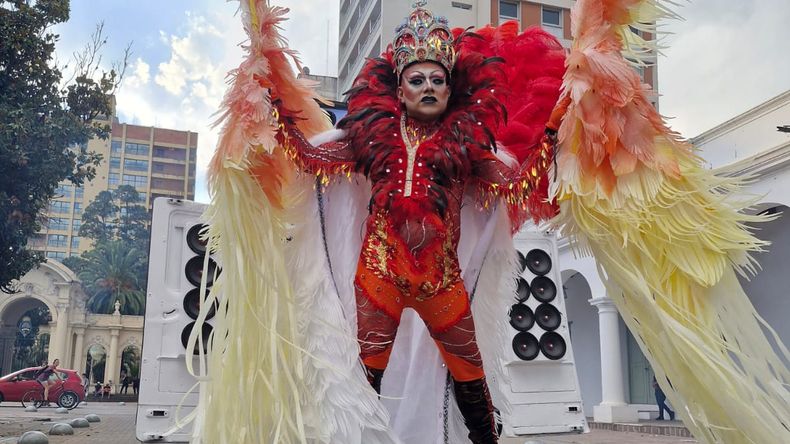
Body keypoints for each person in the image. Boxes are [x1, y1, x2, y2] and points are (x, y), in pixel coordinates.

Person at [190, 1, 790, 443]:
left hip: (443, 285)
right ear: (399, 88)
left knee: (471, 382)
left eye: (437, 79)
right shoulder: (366, 136)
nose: (428, 86)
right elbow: (311, 155)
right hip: (377, 279)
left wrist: (553, 128)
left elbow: (516, 181)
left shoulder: (471, 147)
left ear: (451, 88)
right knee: (364, 380)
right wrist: (270, 99)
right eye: (417, 79)